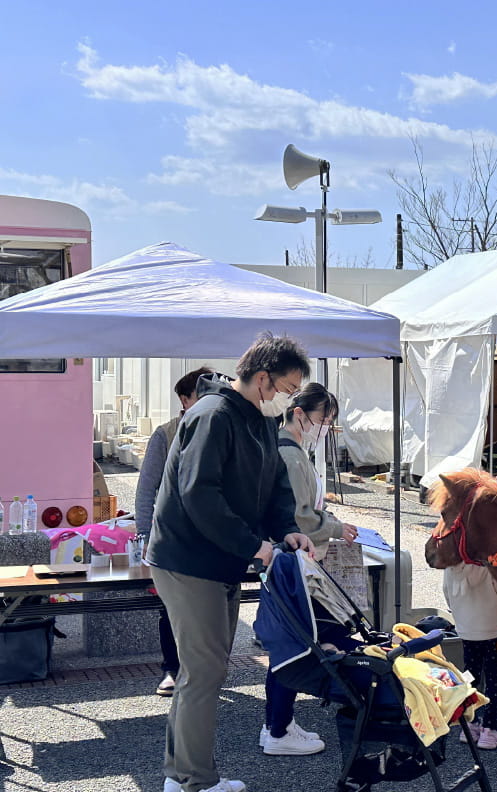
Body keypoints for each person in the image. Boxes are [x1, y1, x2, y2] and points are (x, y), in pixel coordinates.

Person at [147, 333, 316, 792]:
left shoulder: (257, 420)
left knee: (203, 669)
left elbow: (275, 484)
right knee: (205, 671)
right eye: (284, 388)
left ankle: (180, 775)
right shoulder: (213, 415)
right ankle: (194, 781)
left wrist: (286, 528)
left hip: (216, 559)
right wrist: (251, 544)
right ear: (262, 378)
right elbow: (198, 492)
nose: (287, 399)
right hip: (187, 559)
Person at [259, 382, 359, 756]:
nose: (324, 427)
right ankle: (279, 728)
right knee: (297, 647)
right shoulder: (292, 455)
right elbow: (299, 517)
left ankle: (276, 723)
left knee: (289, 644)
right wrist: (334, 526)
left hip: (289, 563)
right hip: (296, 565)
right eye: (322, 418)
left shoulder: (286, 448)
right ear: (299, 413)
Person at [135, 366, 213, 698]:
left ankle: (205, 669)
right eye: (203, 395)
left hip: (212, 536)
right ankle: (172, 668)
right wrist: (144, 533)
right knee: (171, 606)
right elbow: (146, 489)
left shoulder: (219, 430)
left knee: (209, 605)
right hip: (172, 538)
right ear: (185, 399)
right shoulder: (166, 434)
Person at [442, 561, 497, 750]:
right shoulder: (490, 566)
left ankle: (470, 724)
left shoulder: (450, 568)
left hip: (467, 632)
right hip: (495, 632)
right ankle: (490, 730)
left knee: (469, 678)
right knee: (494, 680)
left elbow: (447, 595)